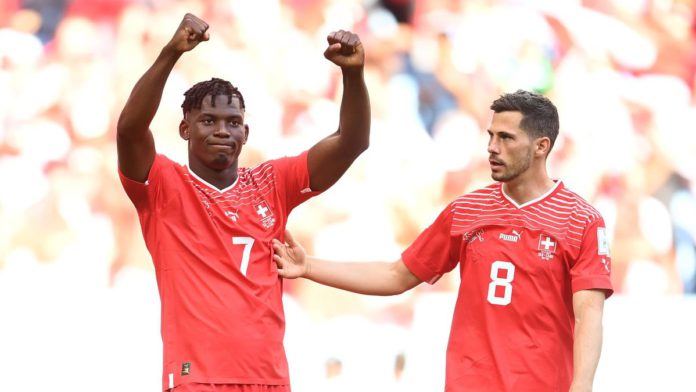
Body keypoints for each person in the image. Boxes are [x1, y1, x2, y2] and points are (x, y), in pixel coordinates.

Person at [273, 90, 612, 392]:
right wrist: (308, 267)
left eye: (507, 138)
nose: (493, 148)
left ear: (542, 147)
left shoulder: (581, 220)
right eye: (491, 136)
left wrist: (581, 386)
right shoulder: (466, 210)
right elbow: (397, 275)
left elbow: (589, 315)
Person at [116, 13, 370, 392]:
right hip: (196, 379)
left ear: (246, 132)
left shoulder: (273, 184)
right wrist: (170, 54)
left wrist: (353, 76)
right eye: (209, 121)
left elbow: (351, 142)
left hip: (268, 379)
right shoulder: (163, 185)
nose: (222, 130)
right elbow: (130, 130)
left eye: (233, 122)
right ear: (185, 128)